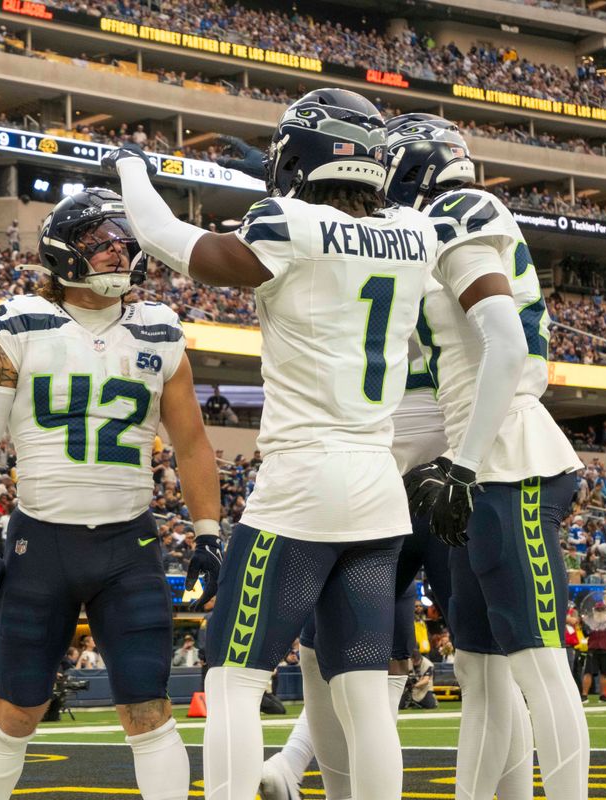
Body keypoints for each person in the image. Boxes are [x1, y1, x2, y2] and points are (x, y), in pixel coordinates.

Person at [107, 89, 434, 799]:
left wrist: (133, 170)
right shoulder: (417, 232)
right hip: (378, 485)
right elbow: (351, 222)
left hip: (303, 482)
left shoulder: (288, 224)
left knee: (232, 675)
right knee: (364, 691)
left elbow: (173, 242)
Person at [0, 185, 221, 800]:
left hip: (129, 546)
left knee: (149, 710)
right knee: (18, 709)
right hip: (40, 541)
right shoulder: (21, 321)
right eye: (98, 242)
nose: (115, 252)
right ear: (62, 251)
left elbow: (192, 444)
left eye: (123, 242)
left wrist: (208, 534)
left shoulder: (160, 330)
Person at [384, 114, 589, 798]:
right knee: (478, 667)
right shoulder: (444, 220)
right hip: (481, 461)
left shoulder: (456, 214)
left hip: (509, 462)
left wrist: (463, 464)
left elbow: (506, 343)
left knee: (539, 664)